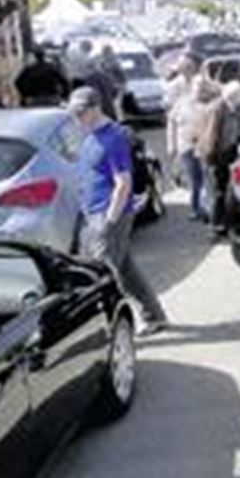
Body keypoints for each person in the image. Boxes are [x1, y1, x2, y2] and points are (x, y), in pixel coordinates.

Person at [68, 87, 168, 336]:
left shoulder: (114, 137)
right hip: (93, 213)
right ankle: (154, 316)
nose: (77, 118)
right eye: (74, 113)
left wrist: (109, 222)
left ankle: (109, 331)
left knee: (102, 275)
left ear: (95, 108)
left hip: (109, 214)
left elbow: (123, 182)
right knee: (125, 268)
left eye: (81, 113)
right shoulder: (90, 135)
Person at [197, 67, 240, 238]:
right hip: (216, 156)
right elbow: (212, 136)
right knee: (218, 193)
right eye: (239, 98)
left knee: (224, 191)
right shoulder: (219, 109)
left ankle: (223, 223)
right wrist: (213, 158)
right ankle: (216, 226)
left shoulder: (228, 107)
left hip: (224, 154)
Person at [168, 76, 218, 222]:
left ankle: (207, 209)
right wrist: (171, 144)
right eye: (197, 85)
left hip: (204, 147)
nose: (200, 88)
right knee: (193, 179)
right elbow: (172, 123)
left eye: (203, 85)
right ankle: (196, 208)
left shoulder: (212, 103)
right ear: (192, 87)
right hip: (186, 146)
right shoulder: (182, 103)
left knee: (206, 178)